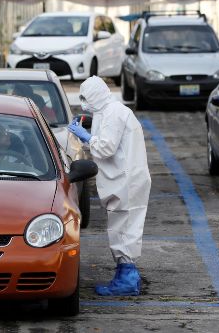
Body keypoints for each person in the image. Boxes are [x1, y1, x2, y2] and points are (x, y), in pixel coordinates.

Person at [67, 76, 151, 296]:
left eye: (86, 98)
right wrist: (89, 129)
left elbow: (106, 148)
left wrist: (86, 137)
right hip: (126, 179)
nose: (84, 103)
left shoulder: (114, 113)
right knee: (124, 228)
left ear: (95, 94)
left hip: (126, 181)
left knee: (123, 230)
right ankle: (127, 275)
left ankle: (127, 280)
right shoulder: (109, 111)